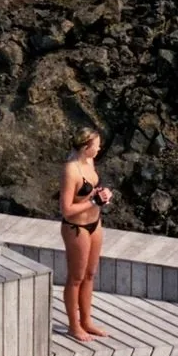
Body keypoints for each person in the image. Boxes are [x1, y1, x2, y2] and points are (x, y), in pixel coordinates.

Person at [59, 129, 113, 342]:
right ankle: (74, 325)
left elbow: (90, 193)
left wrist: (102, 196)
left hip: (94, 223)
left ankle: (87, 321)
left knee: (90, 274)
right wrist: (92, 202)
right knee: (76, 277)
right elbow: (66, 209)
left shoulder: (89, 163)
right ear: (85, 147)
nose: (99, 148)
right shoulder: (71, 171)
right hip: (76, 228)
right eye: (96, 145)